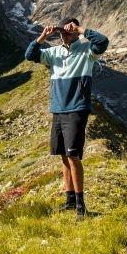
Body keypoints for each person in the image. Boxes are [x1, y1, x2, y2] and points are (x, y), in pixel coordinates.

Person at [25, 17, 109, 219]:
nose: (64, 34)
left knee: (73, 156)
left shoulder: (87, 51)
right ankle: (69, 200)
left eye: (67, 31)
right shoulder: (53, 53)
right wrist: (43, 36)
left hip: (76, 109)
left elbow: (103, 41)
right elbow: (30, 55)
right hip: (58, 109)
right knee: (63, 155)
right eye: (62, 31)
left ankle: (81, 205)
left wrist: (80, 30)